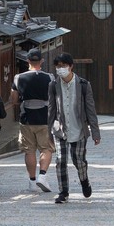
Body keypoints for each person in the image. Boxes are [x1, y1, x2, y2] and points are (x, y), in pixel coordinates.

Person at [46, 52, 100, 204]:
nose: (60, 69)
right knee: (60, 160)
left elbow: (91, 109)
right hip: (59, 129)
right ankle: (63, 192)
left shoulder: (83, 85)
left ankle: (84, 180)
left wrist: (95, 133)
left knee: (79, 161)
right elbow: (51, 109)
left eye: (63, 66)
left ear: (71, 67)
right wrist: (48, 133)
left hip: (79, 128)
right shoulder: (53, 85)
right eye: (58, 66)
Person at [11, 49, 54, 192]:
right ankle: (42, 175)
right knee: (46, 148)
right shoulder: (50, 77)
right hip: (45, 118)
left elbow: (14, 100)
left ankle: (32, 181)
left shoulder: (18, 78)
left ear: (27, 61)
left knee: (29, 151)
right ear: (41, 61)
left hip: (27, 118)